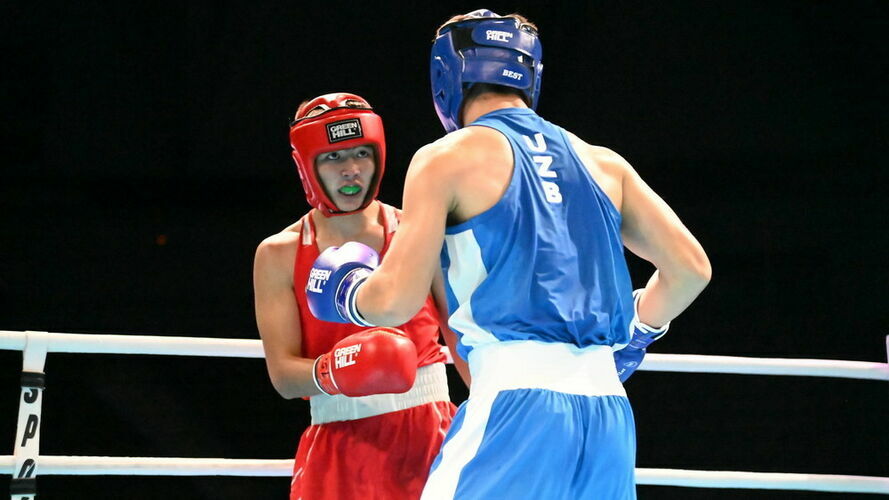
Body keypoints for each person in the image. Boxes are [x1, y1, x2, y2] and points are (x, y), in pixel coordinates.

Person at [305, 9, 711, 500]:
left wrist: (347, 291)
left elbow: (396, 299)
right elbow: (691, 270)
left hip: (515, 403)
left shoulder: (446, 157)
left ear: (446, 75)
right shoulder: (603, 162)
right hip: (608, 413)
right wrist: (635, 336)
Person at [253, 92, 461, 500]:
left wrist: (494, 415)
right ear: (307, 165)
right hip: (341, 440)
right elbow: (282, 376)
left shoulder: (417, 232)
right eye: (333, 158)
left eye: (361, 153)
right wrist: (337, 370)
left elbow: (460, 335)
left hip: (432, 434)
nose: (351, 170)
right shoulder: (279, 254)